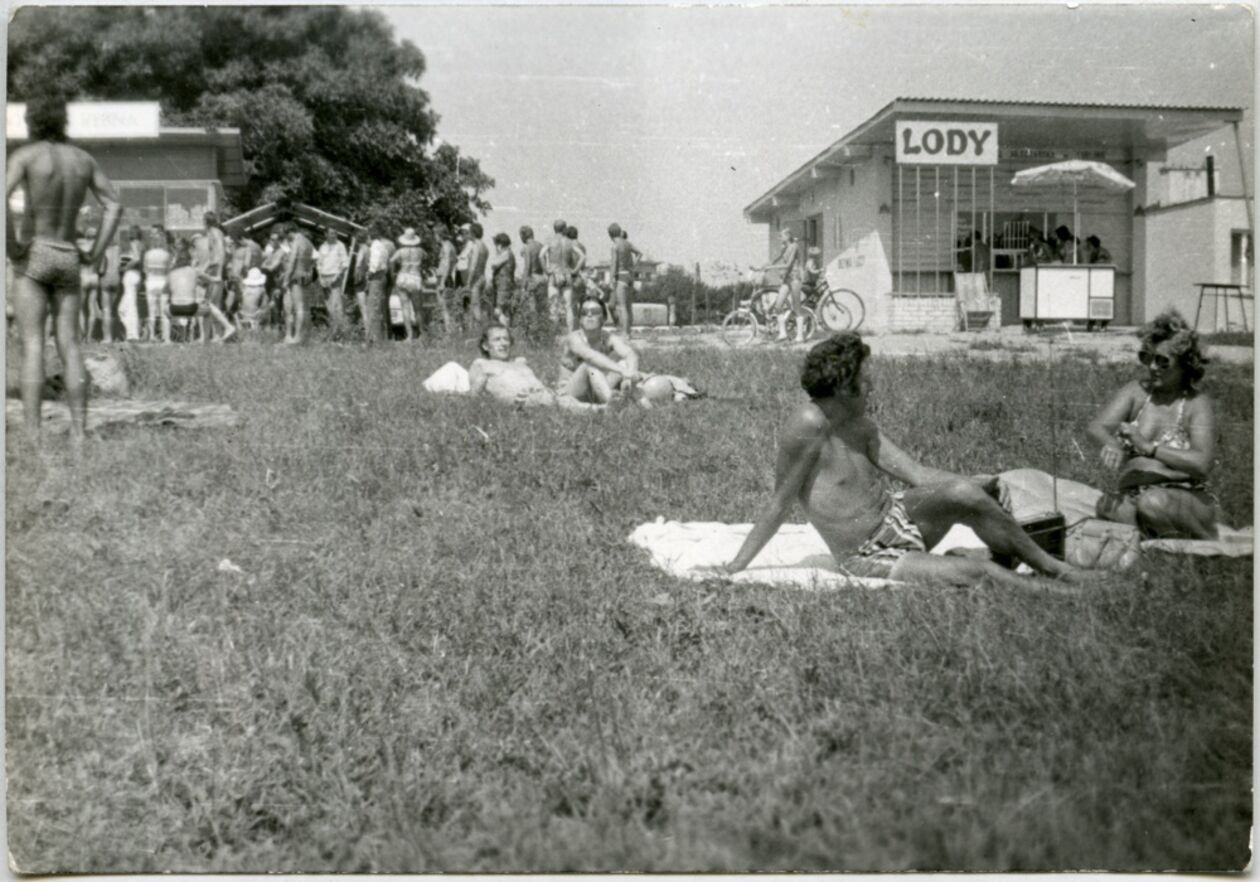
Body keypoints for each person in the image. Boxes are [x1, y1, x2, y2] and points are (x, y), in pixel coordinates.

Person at [711, 333, 1089, 588]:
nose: (872, 384)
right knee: (977, 572)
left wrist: (977, 484)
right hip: (867, 553)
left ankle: (1056, 568)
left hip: (898, 517)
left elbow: (918, 474)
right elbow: (780, 503)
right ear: (844, 386)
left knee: (965, 492)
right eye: (866, 377)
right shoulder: (808, 425)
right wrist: (735, 565)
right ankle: (1064, 596)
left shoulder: (860, 424)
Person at [6, 92, 122, 452]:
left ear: (32, 122)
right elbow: (114, 205)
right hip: (68, 253)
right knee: (70, 344)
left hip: (35, 249)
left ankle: (33, 435)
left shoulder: (26, 155)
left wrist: (10, 246)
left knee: (33, 345)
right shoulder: (82, 159)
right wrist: (96, 252)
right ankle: (78, 432)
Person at [1087, 310, 1219, 539]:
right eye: (1147, 357)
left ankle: (1203, 543)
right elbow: (1096, 428)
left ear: (1185, 365)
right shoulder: (1137, 392)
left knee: (1153, 504)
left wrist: (1149, 448)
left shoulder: (1196, 404)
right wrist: (1113, 445)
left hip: (1185, 497)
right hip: (1134, 495)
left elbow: (1202, 463)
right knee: (1107, 505)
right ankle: (1160, 544)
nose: (1152, 367)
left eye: (1163, 361)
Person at [469, 323, 603, 412]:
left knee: (588, 365)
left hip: (550, 396)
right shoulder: (482, 365)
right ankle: (599, 409)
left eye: (506, 339)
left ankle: (604, 403)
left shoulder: (520, 362)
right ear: (485, 346)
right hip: (523, 402)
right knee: (569, 404)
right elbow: (474, 397)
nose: (503, 343)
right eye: (497, 339)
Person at [557, 297, 646, 405]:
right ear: (580, 319)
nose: (589, 315)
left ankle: (631, 395)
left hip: (597, 388)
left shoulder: (607, 337)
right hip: (571, 391)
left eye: (594, 312)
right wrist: (622, 371)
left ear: (603, 318)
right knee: (590, 365)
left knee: (624, 363)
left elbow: (630, 354)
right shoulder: (574, 338)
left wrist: (630, 375)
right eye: (584, 313)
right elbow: (590, 356)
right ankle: (612, 404)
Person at [166, 238, 236, 344]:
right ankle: (226, 327)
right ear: (189, 260)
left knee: (166, 309)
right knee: (208, 307)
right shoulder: (195, 271)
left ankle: (180, 337)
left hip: (173, 310)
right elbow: (213, 280)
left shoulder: (171, 273)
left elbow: (167, 289)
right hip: (190, 308)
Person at [767, 227, 806, 343]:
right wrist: (763, 266)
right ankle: (783, 334)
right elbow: (775, 259)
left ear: (788, 236)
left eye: (782, 236)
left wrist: (770, 268)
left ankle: (800, 336)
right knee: (778, 305)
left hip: (795, 278)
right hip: (787, 279)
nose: (780, 238)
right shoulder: (785, 248)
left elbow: (788, 265)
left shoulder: (794, 246)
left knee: (796, 307)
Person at [281, 223, 315, 344]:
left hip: (296, 276)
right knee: (303, 307)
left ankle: (297, 337)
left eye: (286, 236)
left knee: (298, 308)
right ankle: (300, 336)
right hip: (306, 277)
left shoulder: (297, 241)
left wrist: (285, 279)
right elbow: (312, 262)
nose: (287, 239)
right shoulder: (309, 243)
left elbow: (292, 261)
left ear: (289, 232)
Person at [391, 227, 426, 341]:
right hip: (415, 278)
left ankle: (409, 335)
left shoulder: (400, 251)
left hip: (403, 277)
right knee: (418, 309)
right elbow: (426, 258)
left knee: (405, 308)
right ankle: (422, 334)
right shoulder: (421, 251)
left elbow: (391, 261)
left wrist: (394, 272)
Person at [543, 219, 579, 331]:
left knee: (553, 306)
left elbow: (541, 255)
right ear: (564, 229)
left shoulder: (550, 241)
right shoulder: (569, 242)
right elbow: (582, 256)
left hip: (554, 274)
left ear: (554, 228)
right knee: (568, 307)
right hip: (567, 273)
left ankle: (554, 333)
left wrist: (546, 269)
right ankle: (570, 332)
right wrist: (575, 270)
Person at [608, 222, 642, 337]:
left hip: (620, 276)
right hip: (629, 276)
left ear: (610, 235)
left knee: (622, 307)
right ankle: (629, 331)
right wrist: (633, 267)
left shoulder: (615, 246)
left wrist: (611, 279)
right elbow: (639, 253)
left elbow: (614, 264)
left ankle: (625, 333)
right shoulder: (627, 243)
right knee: (628, 306)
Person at [364, 221, 394, 343]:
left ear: (369, 237)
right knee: (378, 307)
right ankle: (380, 336)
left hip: (376, 277)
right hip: (382, 277)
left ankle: (375, 338)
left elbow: (375, 264)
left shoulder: (375, 246)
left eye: (366, 238)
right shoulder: (382, 246)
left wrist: (369, 274)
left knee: (374, 307)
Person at [142, 226, 172, 343]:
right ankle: (167, 337)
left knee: (151, 311)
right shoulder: (166, 254)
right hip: (163, 280)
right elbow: (169, 270)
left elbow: (145, 270)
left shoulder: (148, 254)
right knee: (165, 311)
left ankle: (151, 336)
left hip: (151, 281)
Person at [316, 227, 349, 333]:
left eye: (335, 233)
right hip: (324, 277)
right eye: (331, 233)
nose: (334, 235)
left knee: (337, 304)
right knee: (328, 304)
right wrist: (320, 277)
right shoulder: (322, 246)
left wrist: (336, 277)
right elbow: (319, 264)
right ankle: (333, 329)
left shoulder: (340, 246)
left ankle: (341, 330)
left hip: (335, 276)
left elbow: (345, 264)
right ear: (326, 234)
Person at [201, 212, 228, 335]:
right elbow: (213, 256)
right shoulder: (213, 232)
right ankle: (218, 334)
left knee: (210, 304)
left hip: (216, 269)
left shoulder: (215, 232)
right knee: (214, 304)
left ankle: (224, 330)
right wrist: (202, 269)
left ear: (206, 222)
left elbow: (221, 253)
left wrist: (219, 272)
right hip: (214, 267)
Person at [117, 224, 145, 340]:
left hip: (131, 274)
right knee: (125, 307)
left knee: (129, 306)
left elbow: (137, 259)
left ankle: (133, 333)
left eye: (129, 232)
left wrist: (126, 267)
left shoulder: (134, 244)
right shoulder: (142, 245)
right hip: (136, 275)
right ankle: (133, 331)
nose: (128, 234)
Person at [76, 226, 103, 340]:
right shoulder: (99, 248)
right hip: (94, 276)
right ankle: (89, 336)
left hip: (83, 275)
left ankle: (81, 334)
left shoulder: (81, 245)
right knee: (92, 307)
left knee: (81, 308)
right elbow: (102, 268)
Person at [434, 223, 460, 335]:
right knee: (446, 307)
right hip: (446, 277)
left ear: (439, 234)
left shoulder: (446, 247)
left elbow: (447, 264)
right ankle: (449, 330)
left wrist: (442, 282)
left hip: (444, 278)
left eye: (435, 234)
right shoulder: (450, 246)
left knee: (444, 307)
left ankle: (449, 332)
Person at [518, 225, 547, 322]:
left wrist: (523, 285)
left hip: (532, 278)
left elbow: (527, 266)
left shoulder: (527, 247)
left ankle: (534, 330)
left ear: (523, 236)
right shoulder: (540, 245)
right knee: (542, 308)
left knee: (532, 308)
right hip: (542, 277)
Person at [488, 232, 516, 326]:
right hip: (506, 285)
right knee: (505, 311)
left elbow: (493, 264)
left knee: (498, 311)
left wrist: (497, 252)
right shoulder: (509, 253)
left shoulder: (505, 254)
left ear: (500, 244)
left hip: (503, 286)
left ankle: (506, 329)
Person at [466, 222, 490, 326]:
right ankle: (474, 329)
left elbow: (473, 265)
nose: (468, 235)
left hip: (476, 278)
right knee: (476, 304)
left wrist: (468, 282)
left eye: (469, 233)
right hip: (482, 277)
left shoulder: (476, 246)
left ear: (473, 233)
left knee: (475, 306)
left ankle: (482, 329)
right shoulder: (485, 246)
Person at [237, 266, 270, 331]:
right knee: (268, 304)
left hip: (243, 313)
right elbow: (264, 305)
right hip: (254, 315)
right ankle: (267, 327)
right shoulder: (262, 289)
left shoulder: (244, 288)